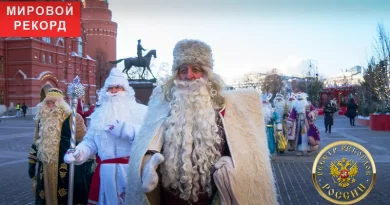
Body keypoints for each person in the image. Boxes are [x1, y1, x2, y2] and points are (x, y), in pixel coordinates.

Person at [126, 39, 277, 205]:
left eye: (195, 70)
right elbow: (147, 145)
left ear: (206, 74)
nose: (189, 75)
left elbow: (241, 150)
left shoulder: (223, 109)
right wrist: (148, 166)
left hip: (212, 197)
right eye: (183, 70)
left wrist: (229, 162)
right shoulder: (163, 108)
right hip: (169, 197)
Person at [64, 68, 148, 205]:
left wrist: (127, 130)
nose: (114, 91)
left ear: (126, 90)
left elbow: (151, 138)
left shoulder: (141, 111)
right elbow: (91, 142)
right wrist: (79, 153)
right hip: (106, 175)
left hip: (132, 173)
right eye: (110, 88)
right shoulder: (99, 114)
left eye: (118, 87)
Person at [27, 88, 93, 205]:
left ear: (61, 104)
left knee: (66, 194)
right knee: (45, 195)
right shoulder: (40, 119)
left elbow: (84, 141)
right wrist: (32, 161)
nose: (51, 106)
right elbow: (36, 141)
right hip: (45, 165)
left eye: (54, 103)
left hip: (65, 165)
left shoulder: (73, 118)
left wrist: (88, 161)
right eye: (48, 103)